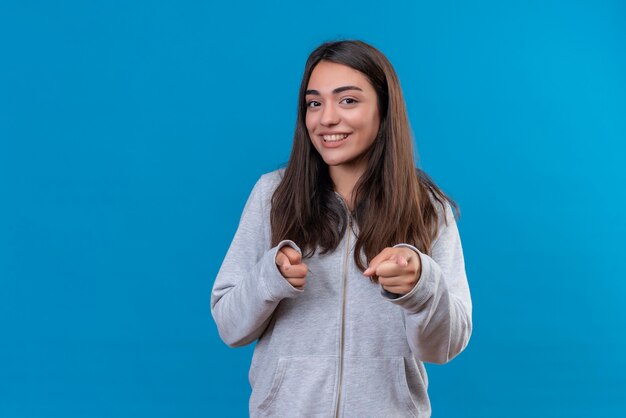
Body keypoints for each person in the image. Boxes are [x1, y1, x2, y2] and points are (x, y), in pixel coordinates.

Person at [211, 39, 472, 418]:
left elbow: (443, 347)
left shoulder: (428, 207)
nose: (326, 118)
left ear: (384, 109)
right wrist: (270, 276)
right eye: (314, 103)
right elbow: (229, 327)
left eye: (347, 100)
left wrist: (421, 286)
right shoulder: (273, 194)